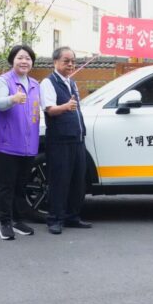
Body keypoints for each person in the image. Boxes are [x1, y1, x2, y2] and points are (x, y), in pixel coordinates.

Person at [0, 44, 41, 240]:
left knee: (21, 185)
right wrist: (13, 99)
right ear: (12, 60)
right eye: (20, 57)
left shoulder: (35, 84)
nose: (24, 61)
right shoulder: (4, 81)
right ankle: (5, 222)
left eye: (28, 58)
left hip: (29, 145)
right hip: (7, 144)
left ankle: (18, 220)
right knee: (6, 186)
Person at [42, 46, 91, 235]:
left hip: (77, 139)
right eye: (66, 61)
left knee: (77, 181)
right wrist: (65, 106)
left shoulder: (71, 82)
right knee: (59, 181)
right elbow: (50, 109)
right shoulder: (48, 82)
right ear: (55, 62)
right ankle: (54, 219)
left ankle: (72, 217)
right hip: (60, 140)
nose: (70, 64)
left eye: (72, 61)